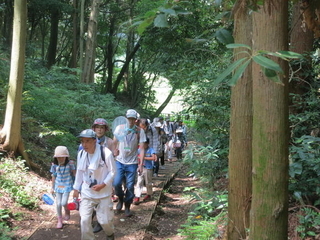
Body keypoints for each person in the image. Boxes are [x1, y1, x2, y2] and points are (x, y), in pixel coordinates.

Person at [72, 129, 116, 240]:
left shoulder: (106, 153)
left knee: (105, 221)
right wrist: (76, 189)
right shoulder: (81, 154)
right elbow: (80, 171)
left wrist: (103, 184)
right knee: (85, 220)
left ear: (94, 141)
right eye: (82, 141)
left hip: (104, 192)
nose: (84, 144)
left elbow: (113, 171)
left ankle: (110, 234)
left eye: (87, 141)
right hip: (87, 191)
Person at [113, 109, 146, 217]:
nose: (130, 121)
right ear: (126, 118)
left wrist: (141, 164)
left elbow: (142, 148)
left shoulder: (139, 131)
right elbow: (114, 141)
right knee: (117, 183)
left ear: (135, 120)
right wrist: (114, 150)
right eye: (129, 118)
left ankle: (127, 205)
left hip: (132, 162)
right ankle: (120, 199)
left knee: (130, 185)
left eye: (132, 119)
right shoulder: (120, 128)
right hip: (119, 160)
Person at [50, 146, 76, 229]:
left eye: (62, 157)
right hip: (58, 185)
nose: (60, 159)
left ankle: (67, 211)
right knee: (58, 204)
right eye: (58, 157)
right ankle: (59, 220)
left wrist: (76, 186)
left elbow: (74, 174)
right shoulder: (54, 165)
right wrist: (52, 187)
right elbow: (53, 176)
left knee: (64, 203)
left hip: (67, 185)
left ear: (66, 157)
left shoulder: (70, 164)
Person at [133, 138, 157, 205]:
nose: (143, 145)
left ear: (147, 144)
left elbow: (154, 158)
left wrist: (144, 158)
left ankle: (149, 194)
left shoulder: (151, 150)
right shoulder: (139, 150)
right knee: (139, 182)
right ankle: (137, 196)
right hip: (140, 168)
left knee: (148, 182)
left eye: (145, 144)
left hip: (148, 168)